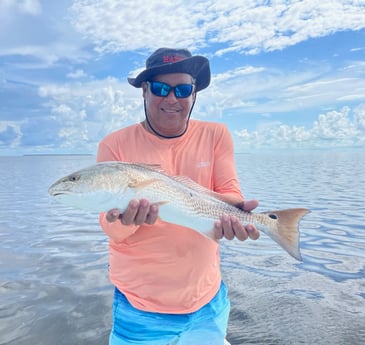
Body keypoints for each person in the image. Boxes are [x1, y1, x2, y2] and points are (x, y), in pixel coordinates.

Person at [96, 48, 260, 345]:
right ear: (144, 91)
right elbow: (110, 228)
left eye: (183, 90)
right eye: (161, 88)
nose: (172, 99)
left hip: (207, 301)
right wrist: (128, 221)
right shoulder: (114, 146)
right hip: (140, 307)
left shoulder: (216, 135)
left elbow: (231, 193)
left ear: (194, 95)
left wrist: (234, 214)